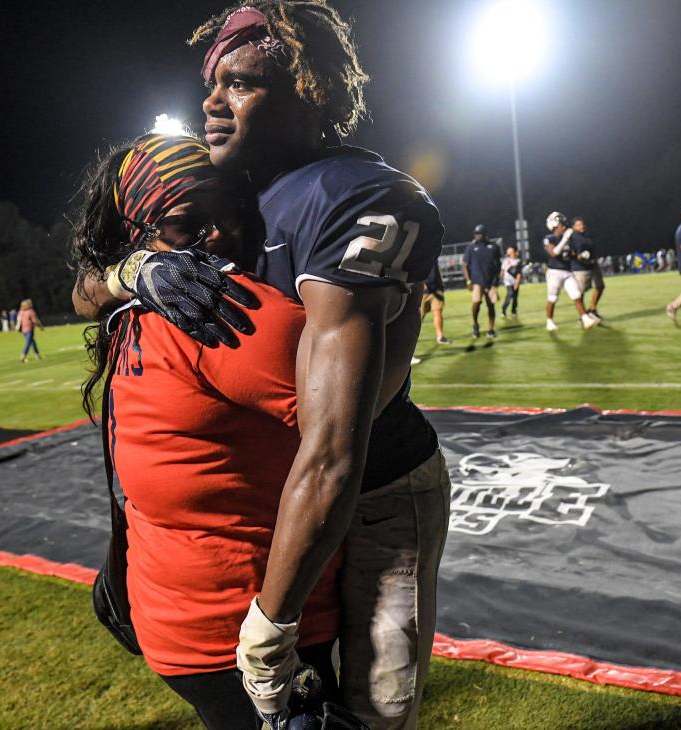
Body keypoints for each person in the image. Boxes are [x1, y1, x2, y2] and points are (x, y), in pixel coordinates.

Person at [73, 4, 451, 728]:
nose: (214, 100)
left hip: (373, 482)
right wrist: (135, 269)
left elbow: (334, 444)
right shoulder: (231, 181)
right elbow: (85, 285)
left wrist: (270, 629)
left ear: (309, 93)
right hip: (291, 477)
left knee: (377, 712)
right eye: (212, 82)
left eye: (241, 84)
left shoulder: (355, 196)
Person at [72, 133, 343, 729]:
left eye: (225, 210)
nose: (216, 232)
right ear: (137, 232)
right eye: (186, 222)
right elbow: (358, 440)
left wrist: (135, 268)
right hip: (237, 637)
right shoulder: (222, 308)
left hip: (197, 631)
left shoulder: (165, 301)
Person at [543, 212, 599, 332]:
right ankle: (549, 321)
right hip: (554, 272)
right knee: (553, 298)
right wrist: (565, 239)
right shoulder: (550, 238)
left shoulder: (568, 239)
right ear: (555, 226)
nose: (564, 227)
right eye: (562, 224)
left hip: (567, 271)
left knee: (577, 295)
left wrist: (582, 256)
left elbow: (572, 255)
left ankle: (585, 319)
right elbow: (554, 253)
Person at [462, 224, 501, 338]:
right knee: (476, 304)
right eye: (476, 234)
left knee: (491, 306)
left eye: (479, 234)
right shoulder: (470, 247)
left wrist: (496, 281)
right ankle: (475, 324)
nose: (477, 236)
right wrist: (468, 281)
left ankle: (491, 329)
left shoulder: (494, 247)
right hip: (476, 282)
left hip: (490, 281)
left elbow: (498, 266)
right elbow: (465, 266)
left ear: (485, 234)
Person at [414, 260, 451, 363]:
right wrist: (421, 285)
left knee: (438, 312)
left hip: (436, 288)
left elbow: (436, 270)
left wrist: (441, 285)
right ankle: (408, 353)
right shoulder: (416, 251)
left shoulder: (433, 252)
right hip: (423, 290)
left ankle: (440, 337)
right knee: (417, 319)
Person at [568, 217, 605, 319]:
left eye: (583, 224)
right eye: (579, 224)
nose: (582, 226)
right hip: (580, 268)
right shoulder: (571, 238)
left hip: (593, 264)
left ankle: (592, 310)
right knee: (580, 292)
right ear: (573, 227)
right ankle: (583, 315)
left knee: (600, 286)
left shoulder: (586, 236)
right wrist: (577, 256)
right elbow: (569, 252)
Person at [500, 246, 522, 319]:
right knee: (510, 294)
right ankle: (503, 309)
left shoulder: (518, 261)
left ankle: (513, 311)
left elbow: (519, 273)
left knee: (515, 297)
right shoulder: (506, 260)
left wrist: (517, 282)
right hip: (507, 281)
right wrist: (500, 278)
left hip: (515, 281)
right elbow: (502, 270)